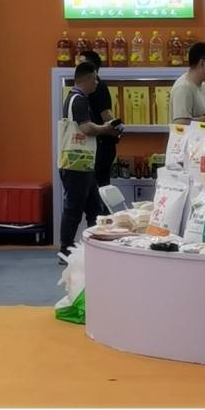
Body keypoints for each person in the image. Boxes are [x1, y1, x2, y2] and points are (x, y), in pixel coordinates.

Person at [57, 62, 118, 258]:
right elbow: (86, 128)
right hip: (76, 164)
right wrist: (106, 128)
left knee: (94, 207)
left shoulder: (74, 98)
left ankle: (95, 245)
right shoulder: (79, 100)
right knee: (74, 208)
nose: (97, 83)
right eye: (95, 79)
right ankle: (65, 248)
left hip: (82, 163)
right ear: (89, 78)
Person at [78, 50, 120, 188]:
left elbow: (106, 115)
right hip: (92, 144)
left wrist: (114, 129)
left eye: (81, 63)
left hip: (101, 146)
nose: (77, 67)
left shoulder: (98, 87)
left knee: (100, 187)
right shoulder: (82, 90)